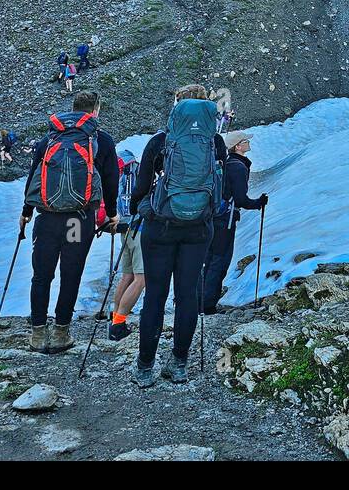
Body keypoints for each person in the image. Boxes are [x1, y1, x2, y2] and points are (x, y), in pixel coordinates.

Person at [130, 84, 224, 386]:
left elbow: (142, 185)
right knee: (187, 296)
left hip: (161, 227)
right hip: (199, 229)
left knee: (155, 296)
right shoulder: (215, 142)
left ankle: (145, 367)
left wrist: (140, 208)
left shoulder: (161, 141)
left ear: (177, 107)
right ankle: (179, 364)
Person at [21, 91, 119, 354]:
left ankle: (38, 334)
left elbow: (35, 175)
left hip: (47, 218)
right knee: (70, 274)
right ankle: (62, 331)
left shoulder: (49, 138)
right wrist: (112, 213)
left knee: (41, 276)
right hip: (78, 219)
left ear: (73, 108)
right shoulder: (101, 140)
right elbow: (111, 180)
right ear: (95, 111)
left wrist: (26, 211)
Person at [201, 130, 267, 314]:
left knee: (208, 259)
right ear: (237, 146)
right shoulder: (238, 166)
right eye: (245, 141)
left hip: (211, 218)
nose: (248, 143)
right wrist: (258, 203)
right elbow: (240, 199)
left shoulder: (224, 164)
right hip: (225, 220)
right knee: (220, 261)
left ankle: (198, 301)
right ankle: (207, 305)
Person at [107, 151, 145, 340]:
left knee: (127, 276)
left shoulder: (120, 172)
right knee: (141, 279)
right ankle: (118, 323)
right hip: (140, 228)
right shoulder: (138, 171)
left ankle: (115, 318)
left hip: (124, 228)